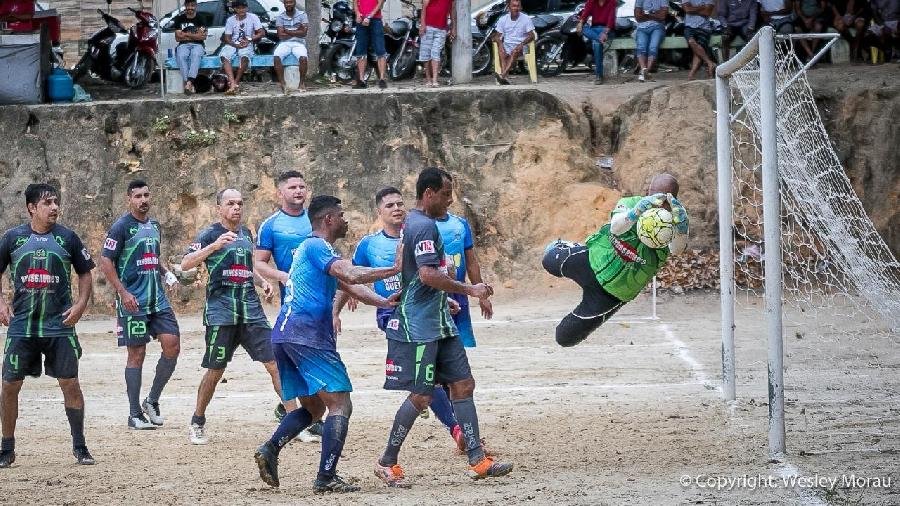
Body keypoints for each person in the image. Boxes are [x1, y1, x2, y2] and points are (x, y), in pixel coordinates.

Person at [373, 168, 512, 488]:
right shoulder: (423, 226)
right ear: (429, 194)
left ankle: (478, 459)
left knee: (463, 384)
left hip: (441, 322)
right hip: (419, 327)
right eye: (446, 194)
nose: (450, 201)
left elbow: (417, 273)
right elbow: (427, 275)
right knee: (422, 396)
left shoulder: (424, 225)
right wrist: (469, 291)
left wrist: (442, 300)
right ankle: (386, 462)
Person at [253, 195, 401, 493]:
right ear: (329, 220)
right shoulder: (316, 246)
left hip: (287, 335)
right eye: (342, 215)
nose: (346, 220)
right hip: (306, 336)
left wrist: (383, 301)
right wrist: (393, 269)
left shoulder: (317, 250)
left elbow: (351, 286)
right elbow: (351, 273)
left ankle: (270, 449)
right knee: (340, 403)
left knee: (314, 407)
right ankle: (326, 476)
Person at [337, 187, 494, 455]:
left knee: (452, 380)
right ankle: (456, 432)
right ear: (379, 212)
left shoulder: (419, 234)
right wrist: (337, 308)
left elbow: (435, 274)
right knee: (428, 385)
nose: (396, 209)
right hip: (396, 316)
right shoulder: (370, 244)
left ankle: (466, 440)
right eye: (389, 206)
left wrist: (444, 298)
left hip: (431, 315)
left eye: (400, 203)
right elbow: (349, 276)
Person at [181, 189, 291, 445]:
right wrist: (213, 246)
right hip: (222, 314)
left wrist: (261, 281)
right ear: (218, 207)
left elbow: (246, 266)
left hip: (251, 311)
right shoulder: (209, 234)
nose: (236, 208)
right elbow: (186, 263)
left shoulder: (246, 234)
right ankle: (197, 420)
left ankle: (293, 419)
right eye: (230, 203)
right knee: (215, 370)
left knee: (275, 364)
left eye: (240, 203)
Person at [0, 184, 96, 468]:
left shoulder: (68, 238)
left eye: (56, 202)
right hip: (22, 328)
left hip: (60, 326)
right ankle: (7, 448)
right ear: (32, 207)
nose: (54, 207)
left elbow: (85, 273)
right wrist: (1, 303)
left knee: (70, 383)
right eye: (47, 203)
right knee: (9, 386)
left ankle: (80, 446)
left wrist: (79, 306)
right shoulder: (12, 238)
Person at [542, 173, 689, 347]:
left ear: (672, 199)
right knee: (549, 258)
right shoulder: (632, 203)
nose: (656, 201)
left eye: (663, 198)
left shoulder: (675, 221)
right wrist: (636, 212)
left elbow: (676, 249)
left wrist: (681, 230)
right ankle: (572, 248)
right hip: (592, 261)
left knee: (564, 337)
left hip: (613, 294)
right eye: (652, 195)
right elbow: (616, 227)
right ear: (648, 192)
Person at [99, 180, 180, 431]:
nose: (143, 199)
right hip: (133, 301)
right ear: (129, 199)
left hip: (157, 299)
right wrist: (123, 292)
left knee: (172, 345)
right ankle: (134, 414)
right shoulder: (120, 227)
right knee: (137, 354)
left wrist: (165, 272)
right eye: (138, 196)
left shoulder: (154, 225)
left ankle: (152, 400)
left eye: (146, 195)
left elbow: (151, 257)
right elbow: (105, 261)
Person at [254, 170, 321, 442]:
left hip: (321, 304)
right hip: (294, 305)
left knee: (318, 357)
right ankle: (299, 412)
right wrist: (281, 276)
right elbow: (258, 262)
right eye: (292, 187)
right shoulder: (271, 225)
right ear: (280, 193)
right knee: (298, 357)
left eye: (302, 186)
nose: (298, 191)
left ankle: (302, 411)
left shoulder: (316, 219)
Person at [220, 0, 265, 94]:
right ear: (235, 9)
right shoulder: (230, 20)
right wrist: (235, 45)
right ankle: (232, 83)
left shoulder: (253, 17)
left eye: (243, 7)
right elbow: (227, 38)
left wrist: (249, 39)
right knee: (224, 55)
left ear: (247, 8)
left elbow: (261, 33)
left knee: (244, 56)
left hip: (247, 43)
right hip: (233, 43)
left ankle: (236, 82)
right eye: (238, 8)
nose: (241, 10)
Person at [492, 0, 535, 85]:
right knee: (501, 51)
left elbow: (532, 36)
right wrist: (500, 44)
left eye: (518, 6)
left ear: (521, 7)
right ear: (509, 8)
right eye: (514, 6)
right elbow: (497, 36)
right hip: (507, 45)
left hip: (521, 45)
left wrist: (521, 44)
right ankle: (505, 77)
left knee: (515, 51)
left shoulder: (526, 19)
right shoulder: (503, 19)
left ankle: (503, 75)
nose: (516, 8)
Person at [575, 0, 616, 84]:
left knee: (596, 44)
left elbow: (611, 19)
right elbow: (585, 15)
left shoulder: (612, 2)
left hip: (607, 30)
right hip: (595, 29)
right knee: (584, 28)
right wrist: (580, 23)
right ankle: (599, 39)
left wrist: (605, 32)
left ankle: (598, 76)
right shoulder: (591, 1)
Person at [273, 0, 310, 94]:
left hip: (299, 43)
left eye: (291, 2)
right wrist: (297, 31)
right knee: (277, 57)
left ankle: (301, 83)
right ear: (284, 4)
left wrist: (287, 31)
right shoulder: (280, 17)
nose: (288, 4)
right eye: (286, 3)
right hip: (284, 43)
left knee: (303, 58)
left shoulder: (302, 15)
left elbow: (304, 33)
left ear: (294, 3)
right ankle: (283, 84)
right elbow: (280, 35)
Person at [172, 0, 208, 94]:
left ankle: (188, 83)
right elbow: (177, 38)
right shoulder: (179, 19)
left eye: (192, 5)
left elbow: (203, 36)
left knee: (195, 55)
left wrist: (185, 34)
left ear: (196, 6)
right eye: (188, 5)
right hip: (183, 45)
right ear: (185, 6)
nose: (190, 8)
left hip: (198, 44)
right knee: (181, 56)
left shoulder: (201, 18)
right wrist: (195, 35)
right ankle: (190, 83)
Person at [353, 0, 389, 89]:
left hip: (375, 20)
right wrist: (357, 14)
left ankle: (382, 79)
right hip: (361, 20)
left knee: (380, 49)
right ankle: (361, 80)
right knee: (360, 50)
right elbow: (355, 3)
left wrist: (369, 16)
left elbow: (380, 4)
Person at [419, 0, 455, 87]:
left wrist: (454, 27)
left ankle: (435, 79)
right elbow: (424, 8)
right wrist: (422, 25)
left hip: (441, 29)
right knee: (426, 54)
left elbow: (452, 11)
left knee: (435, 53)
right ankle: (428, 80)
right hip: (428, 27)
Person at [634, 0, 668, 81]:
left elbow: (663, 16)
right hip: (642, 28)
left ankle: (646, 72)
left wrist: (646, 14)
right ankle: (644, 71)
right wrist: (655, 13)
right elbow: (638, 17)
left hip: (658, 27)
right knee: (641, 48)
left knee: (653, 47)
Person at [682, 0, 717, 79]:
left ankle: (691, 74)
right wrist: (701, 8)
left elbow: (707, 12)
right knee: (692, 42)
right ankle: (709, 62)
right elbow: (687, 9)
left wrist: (692, 9)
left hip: (704, 28)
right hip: (689, 26)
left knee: (697, 50)